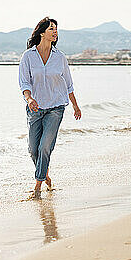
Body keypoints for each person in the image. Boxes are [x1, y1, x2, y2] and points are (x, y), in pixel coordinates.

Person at [18, 17, 81, 199]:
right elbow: (24, 82)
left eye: (56, 29)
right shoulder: (28, 56)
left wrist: (75, 106)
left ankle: (37, 187)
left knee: (46, 147)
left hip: (55, 107)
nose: (55, 32)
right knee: (33, 149)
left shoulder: (59, 57)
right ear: (42, 32)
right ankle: (45, 176)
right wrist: (29, 99)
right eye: (51, 28)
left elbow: (69, 84)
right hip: (35, 108)